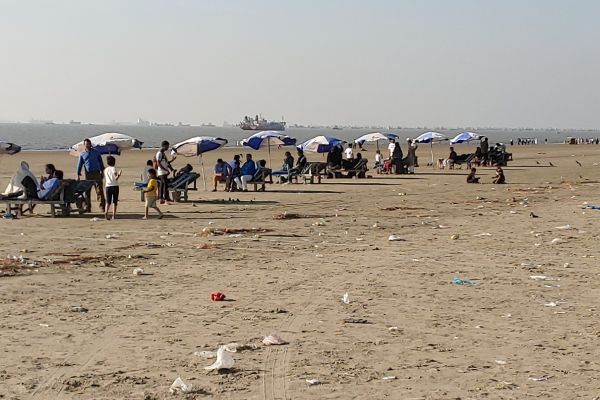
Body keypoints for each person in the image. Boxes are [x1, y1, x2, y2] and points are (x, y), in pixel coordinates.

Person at [76, 138, 106, 212]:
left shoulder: (96, 152)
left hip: (97, 173)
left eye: (89, 144)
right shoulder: (82, 154)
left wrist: (103, 172)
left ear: (91, 145)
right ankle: (88, 207)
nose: (88, 145)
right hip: (88, 174)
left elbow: (101, 162)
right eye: (86, 144)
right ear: (84, 145)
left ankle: (102, 207)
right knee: (87, 192)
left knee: (99, 191)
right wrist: (78, 175)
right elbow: (79, 165)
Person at [104, 156, 121, 220]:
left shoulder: (105, 169)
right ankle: (113, 215)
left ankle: (106, 212)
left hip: (108, 186)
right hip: (114, 185)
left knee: (108, 201)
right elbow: (116, 178)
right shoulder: (113, 168)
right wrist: (119, 174)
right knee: (114, 201)